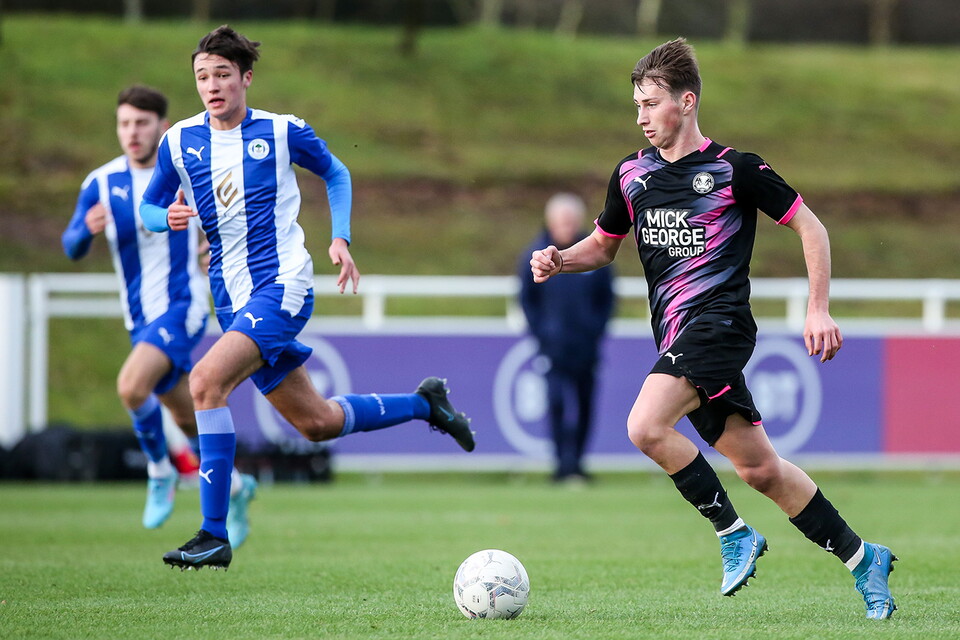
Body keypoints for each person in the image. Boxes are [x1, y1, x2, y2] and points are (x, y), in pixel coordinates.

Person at [530, 38, 896, 619]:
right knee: (760, 469)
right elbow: (602, 246)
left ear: (687, 101)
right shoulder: (631, 176)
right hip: (677, 339)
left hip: (720, 327)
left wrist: (818, 307)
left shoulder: (736, 170)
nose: (642, 117)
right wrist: (560, 259)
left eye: (651, 104)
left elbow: (812, 229)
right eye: (636, 106)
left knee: (645, 426)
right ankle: (863, 558)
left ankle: (733, 534)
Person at [139, 26, 475, 571]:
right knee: (315, 423)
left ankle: (212, 531)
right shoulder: (179, 141)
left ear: (246, 78)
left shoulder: (280, 131)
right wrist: (167, 216)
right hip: (232, 300)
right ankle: (426, 403)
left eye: (223, 74)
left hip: (284, 286)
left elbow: (336, 171)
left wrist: (339, 237)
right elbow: (151, 207)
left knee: (204, 382)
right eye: (203, 76)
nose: (212, 85)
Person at [62, 86, 258, 544]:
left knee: (132, 386)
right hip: (139, 319)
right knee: (191, 419)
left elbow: (230, 224)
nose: (132, 132)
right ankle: (238, 487)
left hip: (182, 307)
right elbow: (70, 244)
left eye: (141, 123)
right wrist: (84, 233)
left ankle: (159, 471)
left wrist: (215, 250)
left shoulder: (185, 176)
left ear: (162, 128)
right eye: (124, 123)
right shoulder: (101, 182)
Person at [518, 193, 614, 483]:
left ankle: (578, 463)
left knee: (585, 404)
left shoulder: (594, 255)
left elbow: (606, 299)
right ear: (550, 221)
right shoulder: (535, 257)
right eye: (562, 220)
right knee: (556, 402)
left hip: (586, 346)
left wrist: (594, 331)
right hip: (553, 347)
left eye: (571, 220)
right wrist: (542, 334)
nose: (567, 226)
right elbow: (526, 300)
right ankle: (562, 464)